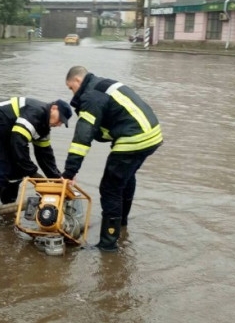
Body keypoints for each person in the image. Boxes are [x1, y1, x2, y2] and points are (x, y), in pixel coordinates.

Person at [61, 66, 163, 252]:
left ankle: (108, 244)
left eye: (70, 88)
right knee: (125, 178)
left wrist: (69, 172)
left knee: (110, 187)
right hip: (152, 135)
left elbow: (81, 139)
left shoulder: (90, 97)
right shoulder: (103, 84)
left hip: (134, 138)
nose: (72, 92)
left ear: (77, 81)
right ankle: (121, 224)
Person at [0, 97, 73, 226]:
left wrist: (58, 180)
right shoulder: (36, 112)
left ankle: (7, 210)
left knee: (16, 172)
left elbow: (45, 156)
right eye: (60, 119)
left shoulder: (44, 128)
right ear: (54, 107)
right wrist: (33, 173)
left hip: (3, 134)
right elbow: (18, 142)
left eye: (62, 123)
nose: (59, 124)